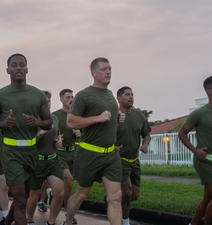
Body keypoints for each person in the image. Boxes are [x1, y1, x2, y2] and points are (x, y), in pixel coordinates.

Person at [0, 53, 52, 225]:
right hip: (11, 152)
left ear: (27, 69)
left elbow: (49, 123)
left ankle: (7, 223)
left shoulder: (37, 95)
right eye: (14, 65)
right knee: (21, 200)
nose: (18, 68)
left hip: (31, 151)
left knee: (25, 197)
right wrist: (3, 123)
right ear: (8, 70)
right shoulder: (0, 95)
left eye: (22, 65)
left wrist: (37, 122)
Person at [63, 57, 125, 225]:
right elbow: (71, 122)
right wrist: (97, 118)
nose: (109, 72)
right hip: (89, 153)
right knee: (81, 195)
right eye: (104, 69)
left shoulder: (110, 95)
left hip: (111, 155)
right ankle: (68, 221)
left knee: (116, 196)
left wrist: (118, 117)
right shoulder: (84, 95)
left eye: (110, 68)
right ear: (94, 72)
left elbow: (108, 118)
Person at [178, 76, 212, 225]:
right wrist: (195, 151)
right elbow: (181, 133)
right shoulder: (199, 113)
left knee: (208, 198)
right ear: (208, 91)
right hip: (205, 160)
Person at [26, 90, 64, 225]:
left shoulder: (54, 118)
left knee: (59, 192)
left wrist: (59, 142)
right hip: (37, 162)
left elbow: (58, 136)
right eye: (44, 100)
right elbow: (28, 142)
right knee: (34, 195)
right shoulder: (32, 120)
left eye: (49, 100)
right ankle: (29, 220)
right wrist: (41, 133)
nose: (47, 102)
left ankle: (51, 222)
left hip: (53, 160)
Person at [115, 86, 151, 225]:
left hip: (134, 160)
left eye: (132, 94)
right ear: (119, 98)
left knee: (134, 195)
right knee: (127, 192)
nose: (131, 97)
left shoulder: (139, 115)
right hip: (119, 159)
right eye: (127, 95)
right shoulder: (115, 116)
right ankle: (125, 222)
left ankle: (112, 199)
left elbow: (146, 135)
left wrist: (145, 144)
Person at [52, 89, 80, 223]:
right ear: (61, 99)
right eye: (68, 97)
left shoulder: (77, 116)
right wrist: (57, 139)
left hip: (73, 152)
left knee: (69, 185)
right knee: (68, 180)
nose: (71, 99)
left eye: (72, 97)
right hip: (60, 153)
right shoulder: (55, 116)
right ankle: (69, 215)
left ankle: (55, 194)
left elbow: (84, 135)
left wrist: (79, 135)